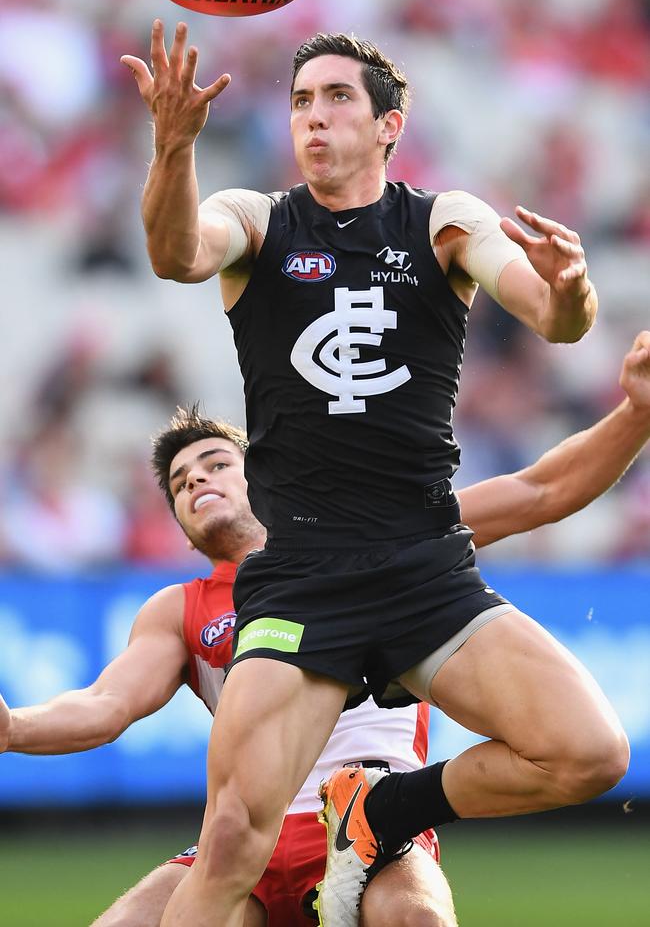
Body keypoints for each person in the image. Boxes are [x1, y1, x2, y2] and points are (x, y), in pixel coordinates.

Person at [121, 21, 625, 927]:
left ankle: (381, 810)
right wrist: (173, 147)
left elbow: (554, 319)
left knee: (590, 754)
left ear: (391, 124)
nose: (314, 118)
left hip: (424, 566)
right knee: (233, 837)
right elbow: (174, 254)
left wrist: (573, 288)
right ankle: (362, 815)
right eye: (301, 102)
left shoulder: (444, 221)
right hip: (304, 577)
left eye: (337, 98)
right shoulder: (260, 218)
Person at [1, 331, 649, 927]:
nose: (196, 477)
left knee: (420, 919)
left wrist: (635, 414)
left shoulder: (378, 535)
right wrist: (14, 729)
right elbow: (105, 705)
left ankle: (379, 805)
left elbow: (541, 490)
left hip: (374, 841)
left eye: (216, 462)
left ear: (265, 476)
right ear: (178, 523)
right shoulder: (177, 609)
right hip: (241, 843)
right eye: (179, 482)